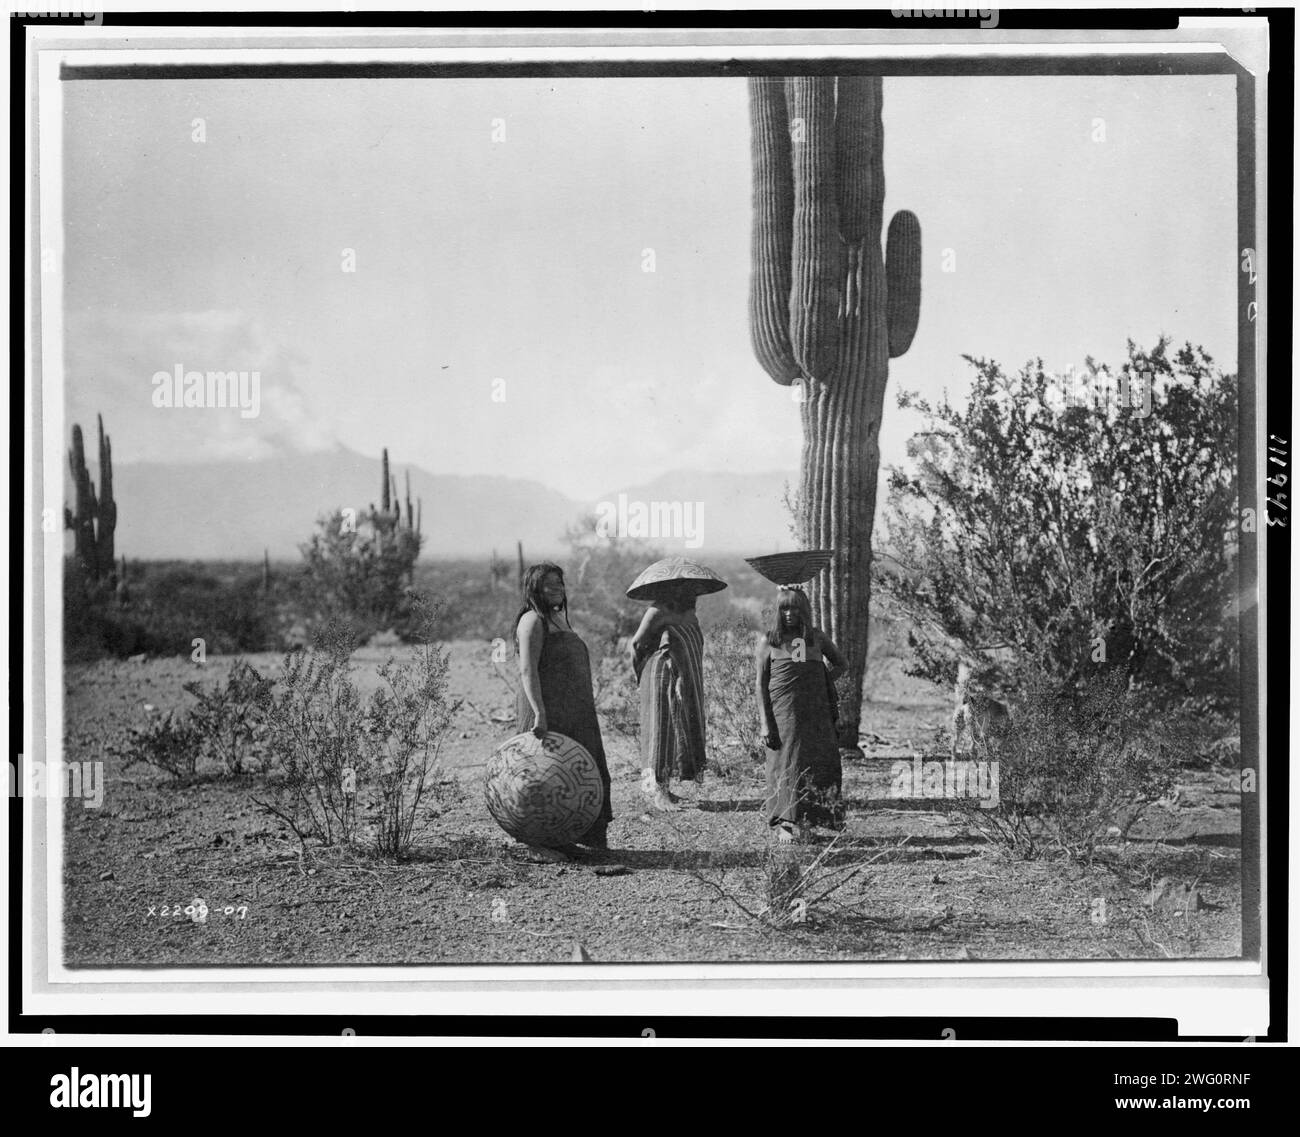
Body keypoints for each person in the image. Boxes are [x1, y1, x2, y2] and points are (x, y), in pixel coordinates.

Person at [514, 563, 613, 862]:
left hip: (576, 710)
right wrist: (539, 714)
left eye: (560, 583)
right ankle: (541, 843)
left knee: (583, 772)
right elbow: (528, 671)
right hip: (548, 709)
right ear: (534, 589)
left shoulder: (557, 619)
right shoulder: (532, 621)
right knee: (546, 777)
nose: (557, 589)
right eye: (549, 584)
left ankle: (574, 837)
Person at [756, 586, 848, 842]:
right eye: (784, 607)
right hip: (783, 714)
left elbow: (841, 663)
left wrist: (820, 682)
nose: (789, 613)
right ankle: (785, 825)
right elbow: (760, 684)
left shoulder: (817, 638)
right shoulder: (770, 640)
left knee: (815, 762)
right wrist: (765, 724)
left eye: (795, 607)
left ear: (804, 610)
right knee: (784, 763)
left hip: (816, 712)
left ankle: (808, 822)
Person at [629, 581, 708, 810]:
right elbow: (636, 643)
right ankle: (655, 793)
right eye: (687, 587)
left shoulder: (689, 612)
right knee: (658, 730)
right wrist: (639, 673)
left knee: (675, 731)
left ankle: (665, 789)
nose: (692, 591)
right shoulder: (657, 610)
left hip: (683, 676)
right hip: (659, 673)